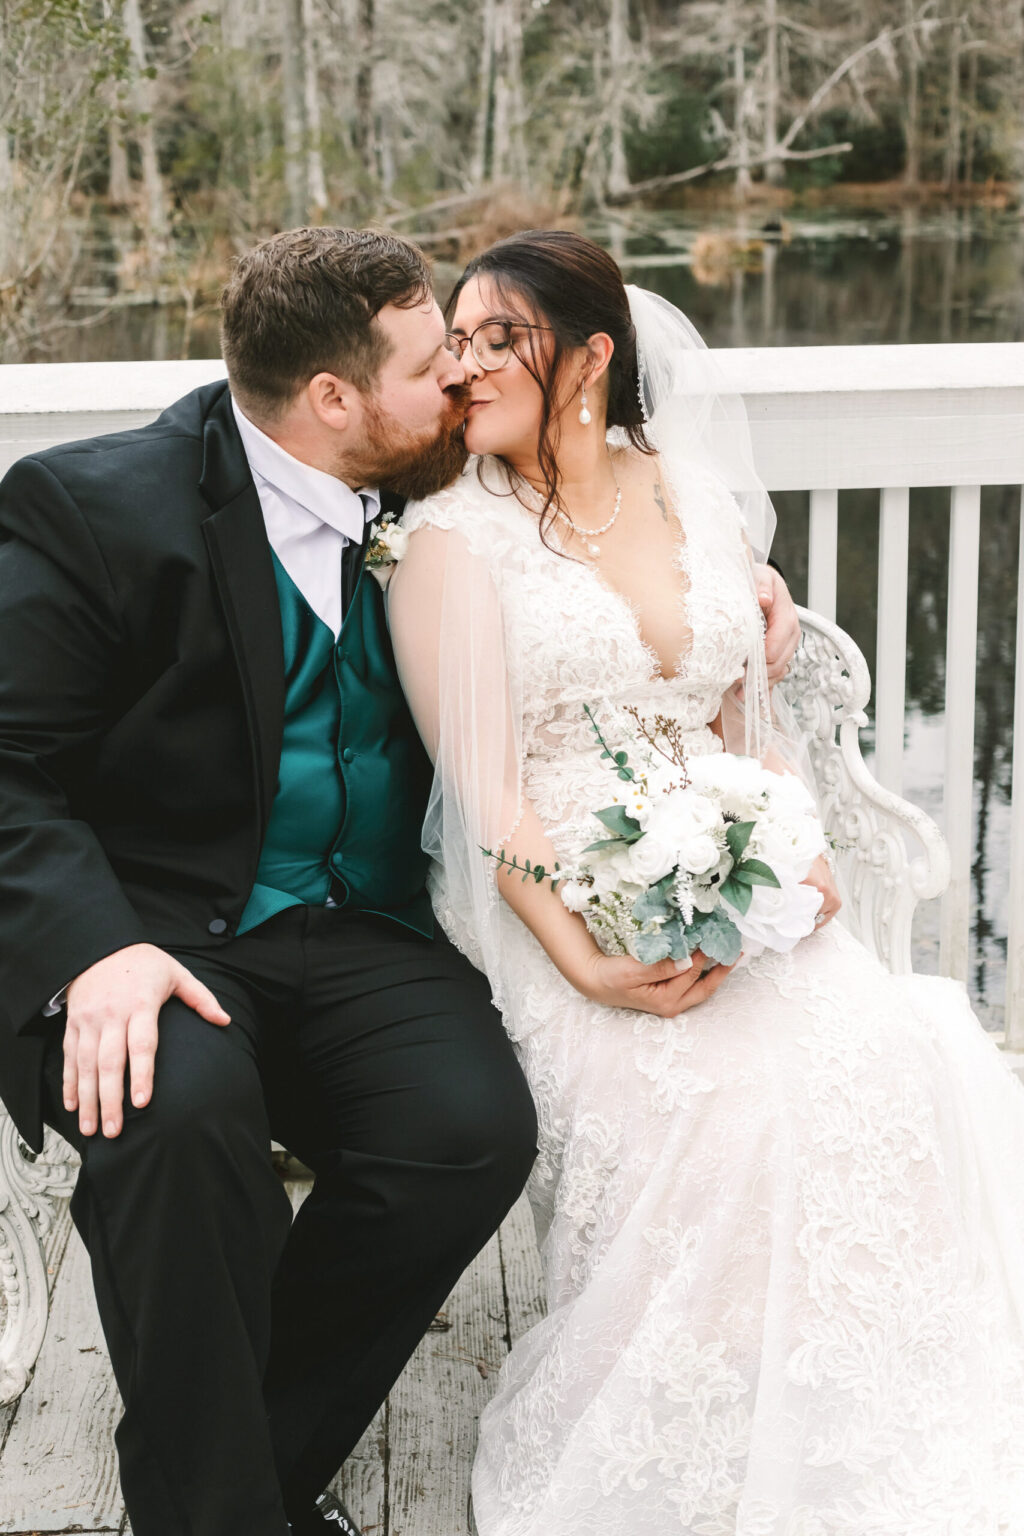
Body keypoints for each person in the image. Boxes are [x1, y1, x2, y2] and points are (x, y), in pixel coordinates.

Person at [387, 228, 1024, 1534]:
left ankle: (842, 1403)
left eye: (492, 336)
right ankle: (698, 1417)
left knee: (880, 1063)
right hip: (559, 904)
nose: (462, 365)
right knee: (732, 1112)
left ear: (589, 354)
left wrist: (794, 854)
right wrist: (589, 960)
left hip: (746, 878)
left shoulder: (684, 490)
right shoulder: (451, 542)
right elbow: (491, 798)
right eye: (453, 341)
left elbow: (746, 720)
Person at [0, 227, 546, 1536]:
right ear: (333, 400)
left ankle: (223, 1483)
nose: (463, 386)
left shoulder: (441, 481)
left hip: (364, 929)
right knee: (175, 1123)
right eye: (432, 366)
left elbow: (630, 523)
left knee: (467, 1132)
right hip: (160, 936)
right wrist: (95, 952)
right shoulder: (96, 508)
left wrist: (746, 577)